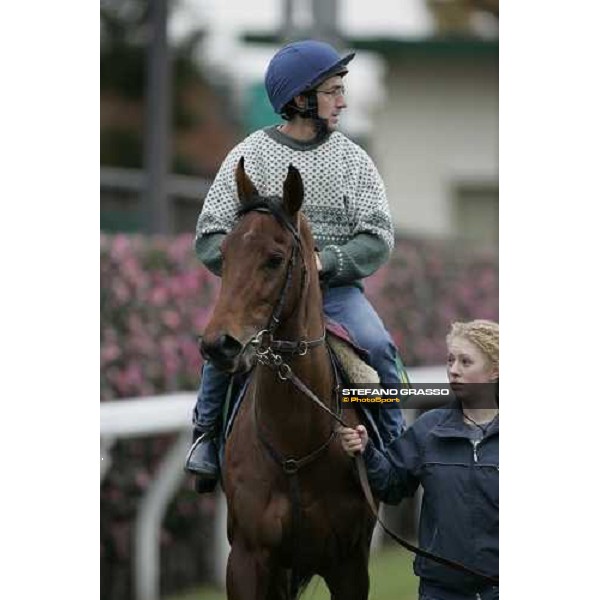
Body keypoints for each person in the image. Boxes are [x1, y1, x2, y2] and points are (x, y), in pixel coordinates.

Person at [186, 39, 408, 491]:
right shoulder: (249, 155)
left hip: (336, 294)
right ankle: (206, 438)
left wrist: (322, 263)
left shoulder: (354, 160)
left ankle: (393, 447)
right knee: (219, 347)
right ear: (301, 98)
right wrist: (250, 274)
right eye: (333, 90)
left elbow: (378, 237)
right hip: (263, 293)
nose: (342, 101)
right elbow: (210, 233)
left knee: (378, 345)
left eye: (341, 90)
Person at [340, 319, 499, 600]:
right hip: (440, 591)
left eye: (465, 362)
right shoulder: (428, 429)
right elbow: (391, 484)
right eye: (451, 360)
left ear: (495, 371)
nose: (453, 370)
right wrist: (367, 450)